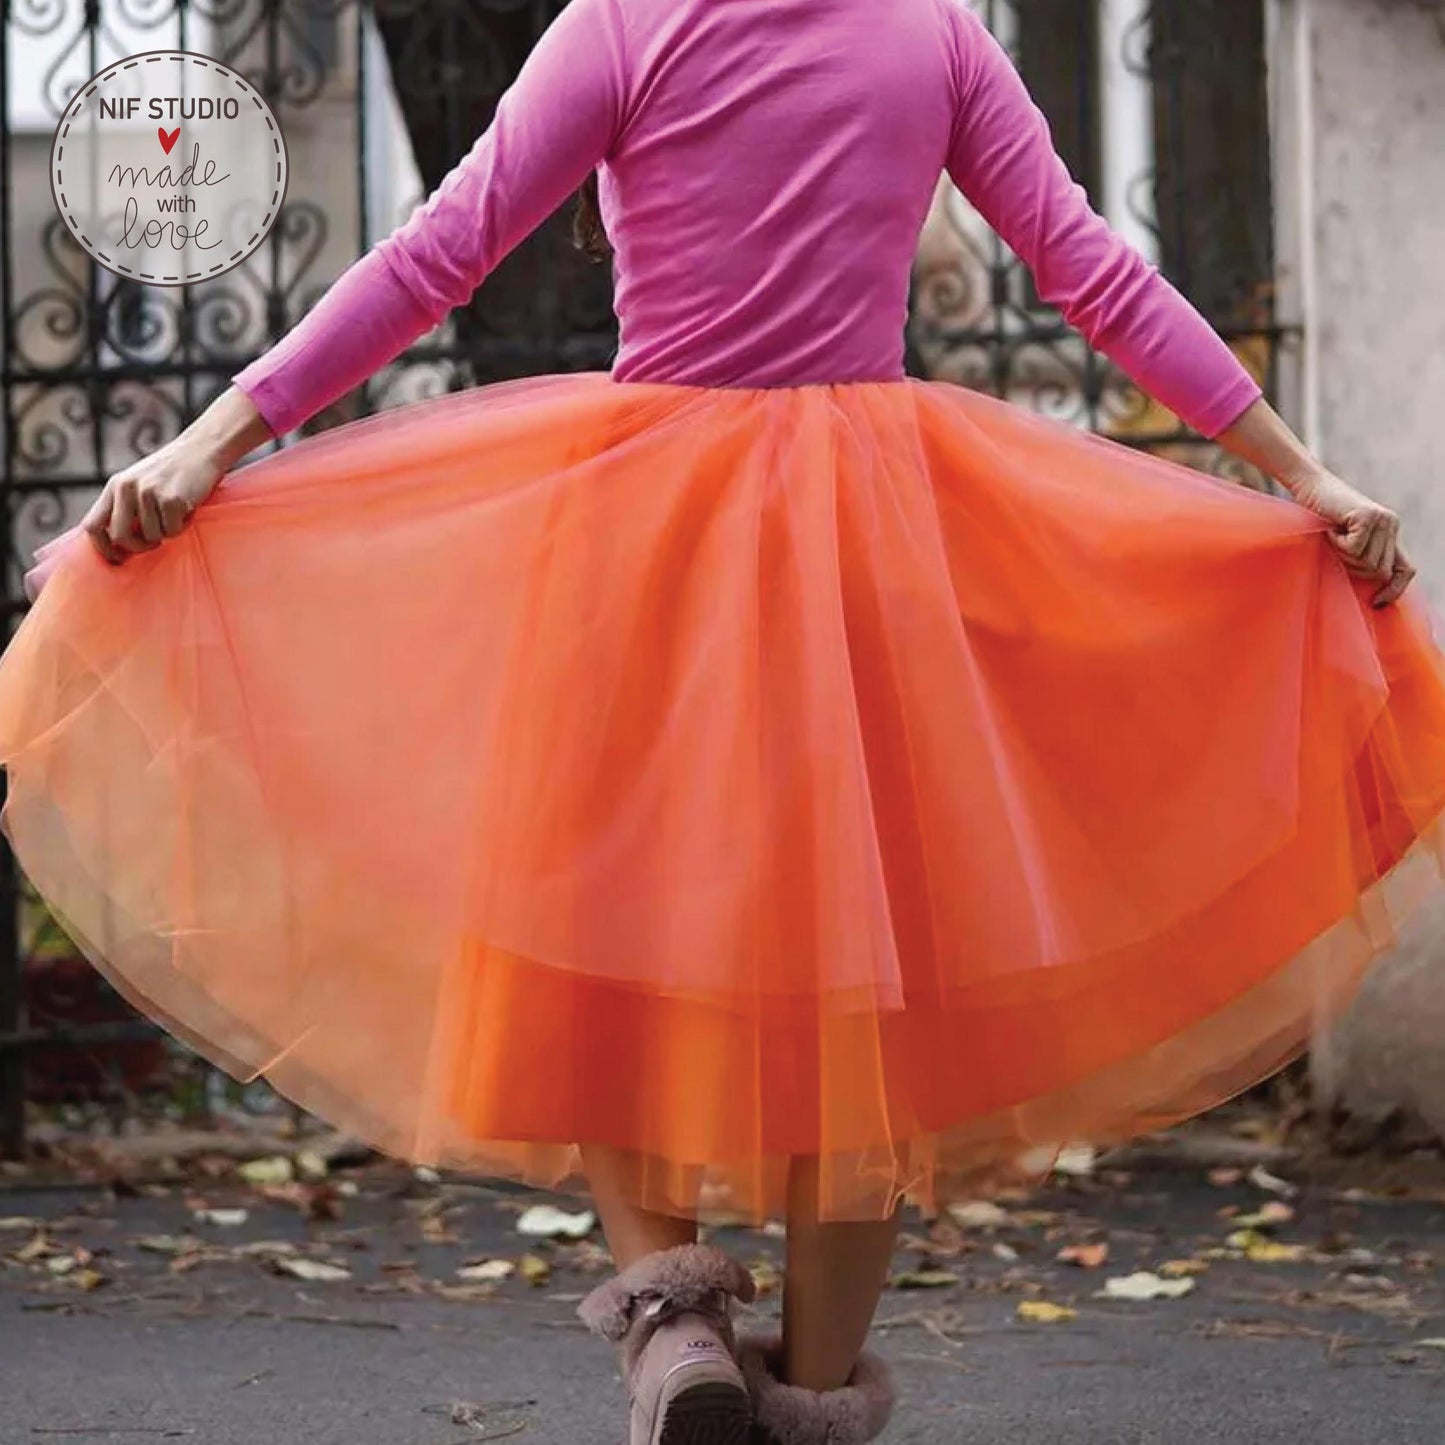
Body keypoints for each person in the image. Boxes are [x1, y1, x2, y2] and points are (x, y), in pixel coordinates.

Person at [2, 2, 1442, 1442]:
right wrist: (1297, 472)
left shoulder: (625, 23)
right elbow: (1089, 272)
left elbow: (438, 253)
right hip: (872, 541)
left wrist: (215, 438)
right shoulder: (931, 34)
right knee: (867, 969)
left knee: (609, 927)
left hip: (651, 539)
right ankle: (813, 1389)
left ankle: (669, 1325)